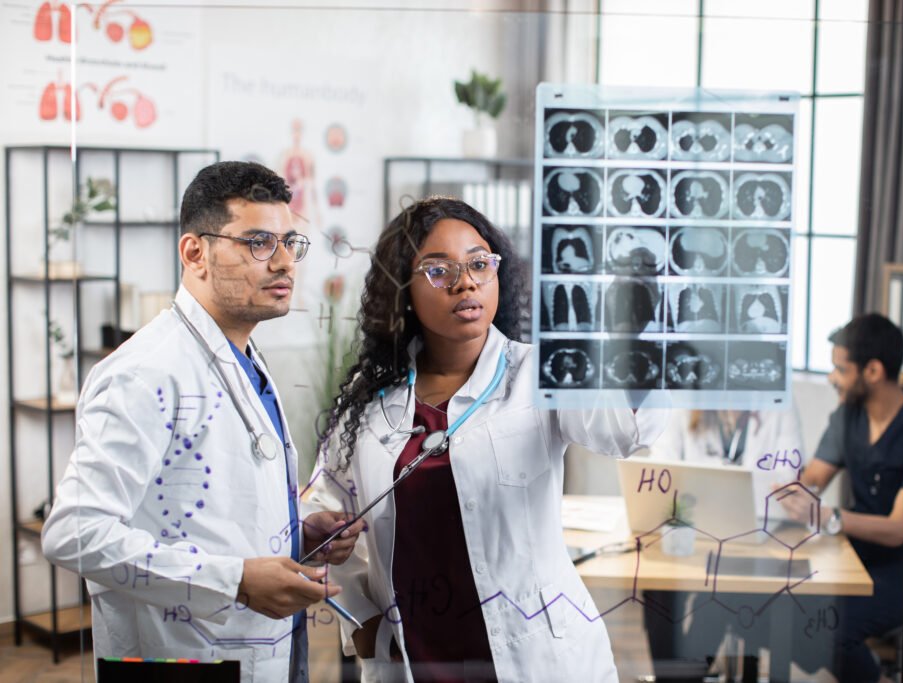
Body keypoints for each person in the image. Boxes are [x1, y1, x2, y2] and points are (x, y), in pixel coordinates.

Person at [306, 197, 663, 682]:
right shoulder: (368, 397)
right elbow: (324, 507)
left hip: (537, 656)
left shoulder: (540, 372)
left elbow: (625, 431)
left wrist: (639, 338)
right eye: (439, 271)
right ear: (403, 290)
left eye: (479, 264)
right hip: (417, 656)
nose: (466, 282)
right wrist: (363, 621)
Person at [42, 161, 365, 682]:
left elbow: (216, 507)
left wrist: (297, 533)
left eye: (289, 242)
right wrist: (235, 580)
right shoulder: (145, 372)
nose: (284, 262)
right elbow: (74, 533)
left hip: (261, 648)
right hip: (180, 655)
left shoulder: (242, 355)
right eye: (258, 243)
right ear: (195, 253)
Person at [779, 313, 903, 683]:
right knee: (785, 607)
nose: (831, 378)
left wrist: (828, 516)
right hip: (859, 555)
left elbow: (898, 530)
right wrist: (779, 487)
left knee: (829, 627)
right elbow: (812, 481)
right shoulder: (848, 417)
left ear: (873, 371)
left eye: (840, 369)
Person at [642, 409, 805, 681]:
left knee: (717, 593)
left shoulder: (778, 407)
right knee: (658, 586)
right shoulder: (686, 405)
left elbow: (787, 482)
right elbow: (661, 471)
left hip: (755, 539)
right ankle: (671, 677)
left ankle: (681, 679)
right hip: (693, 535)